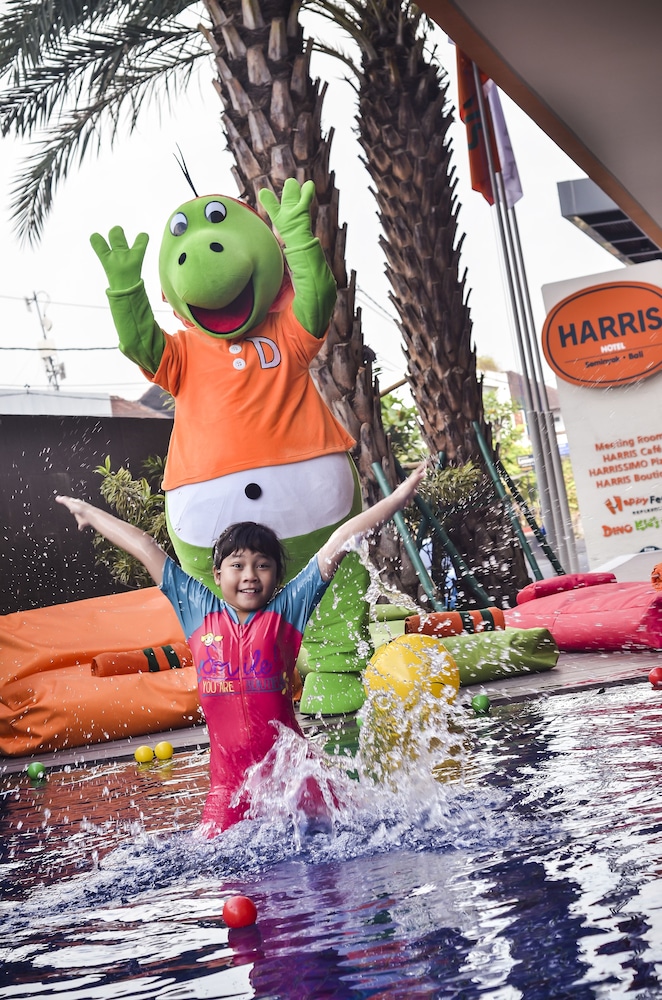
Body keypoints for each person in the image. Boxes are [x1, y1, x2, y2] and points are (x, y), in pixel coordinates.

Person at [56, 462, 427, 834]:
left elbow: (340, 539)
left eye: (262, 565)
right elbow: (145, 546)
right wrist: (89, 512)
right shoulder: (197, 609)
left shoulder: (287, 610)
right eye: (238, 565)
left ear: (277, 577)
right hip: (229, 789)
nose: (250, 575)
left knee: (342, 846)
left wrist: (397, 499)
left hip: (295, 779)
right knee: (216, 858)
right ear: (218, 575)